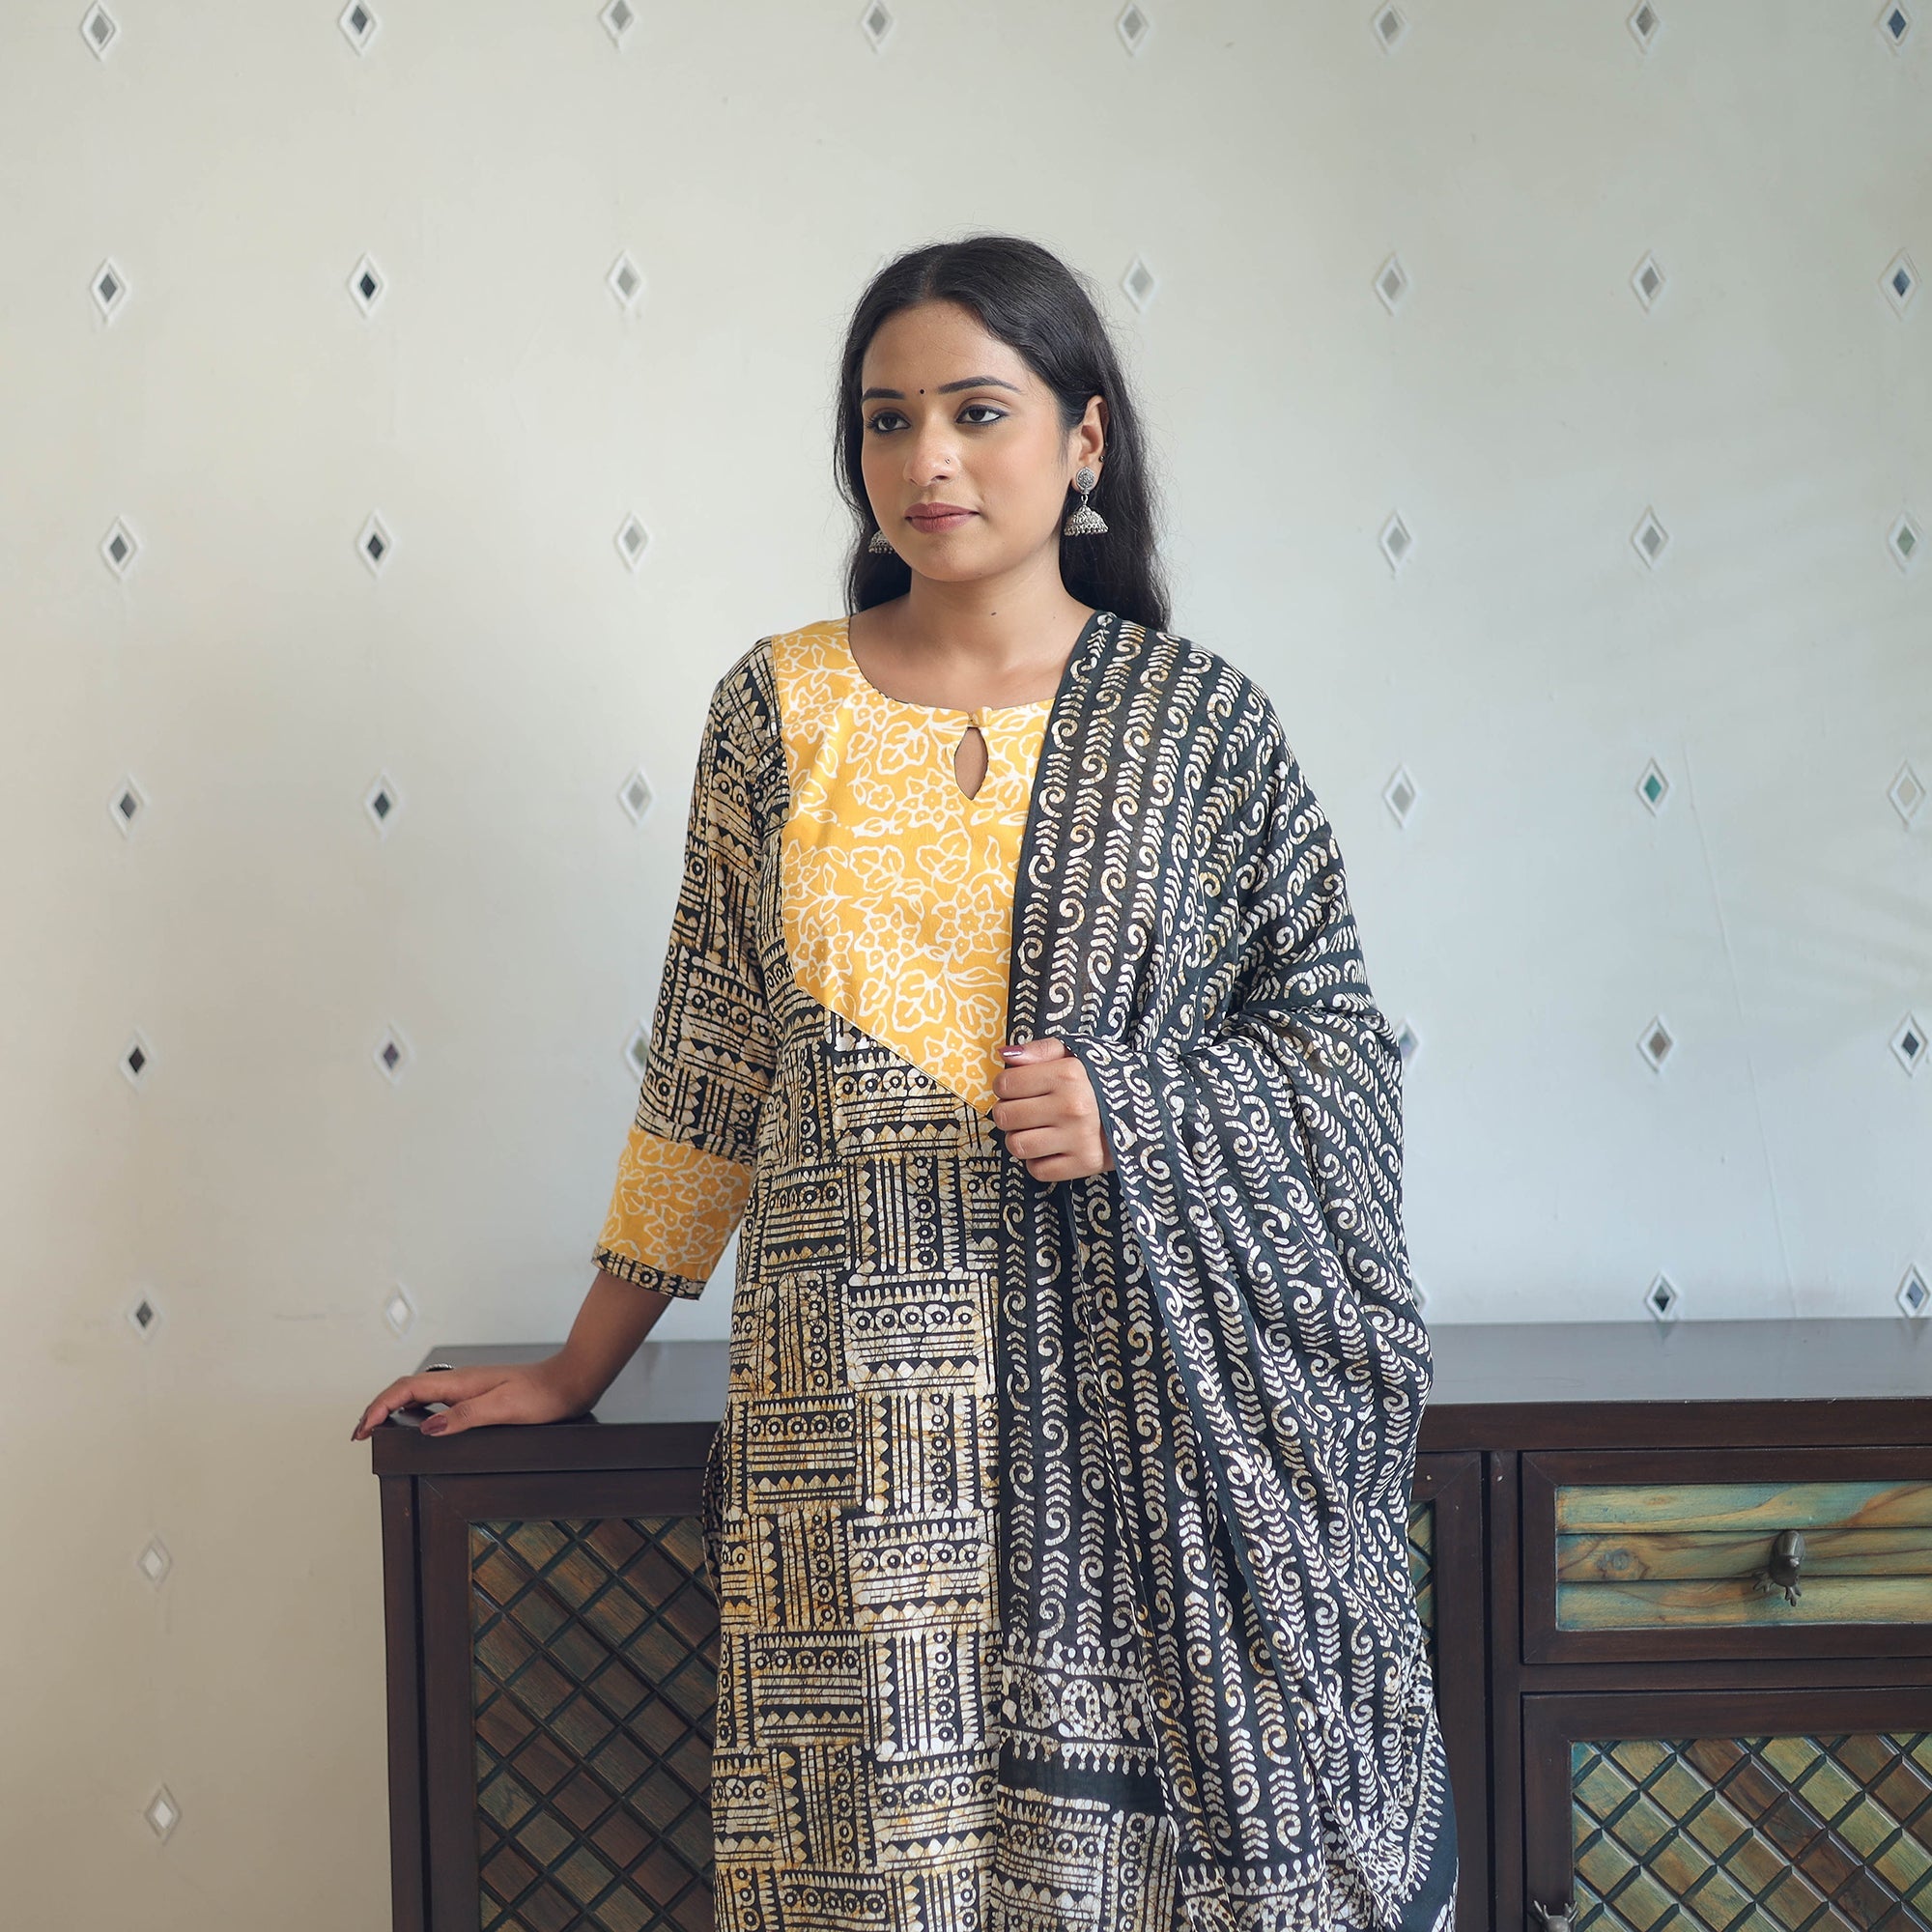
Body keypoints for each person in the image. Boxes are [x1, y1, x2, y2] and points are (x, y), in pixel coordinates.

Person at [353, 233, 1458, 1932]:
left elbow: (1339, 1055)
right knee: (870, 1861)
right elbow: (711, 1062)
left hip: (1134, 1419)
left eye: (976, 411)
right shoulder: (776, 707)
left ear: (1084, 440)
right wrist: (578, 1367)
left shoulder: (1198, 730)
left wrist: (1136, 1110)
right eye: (886, 420)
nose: (927, 459)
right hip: (850, 1422)